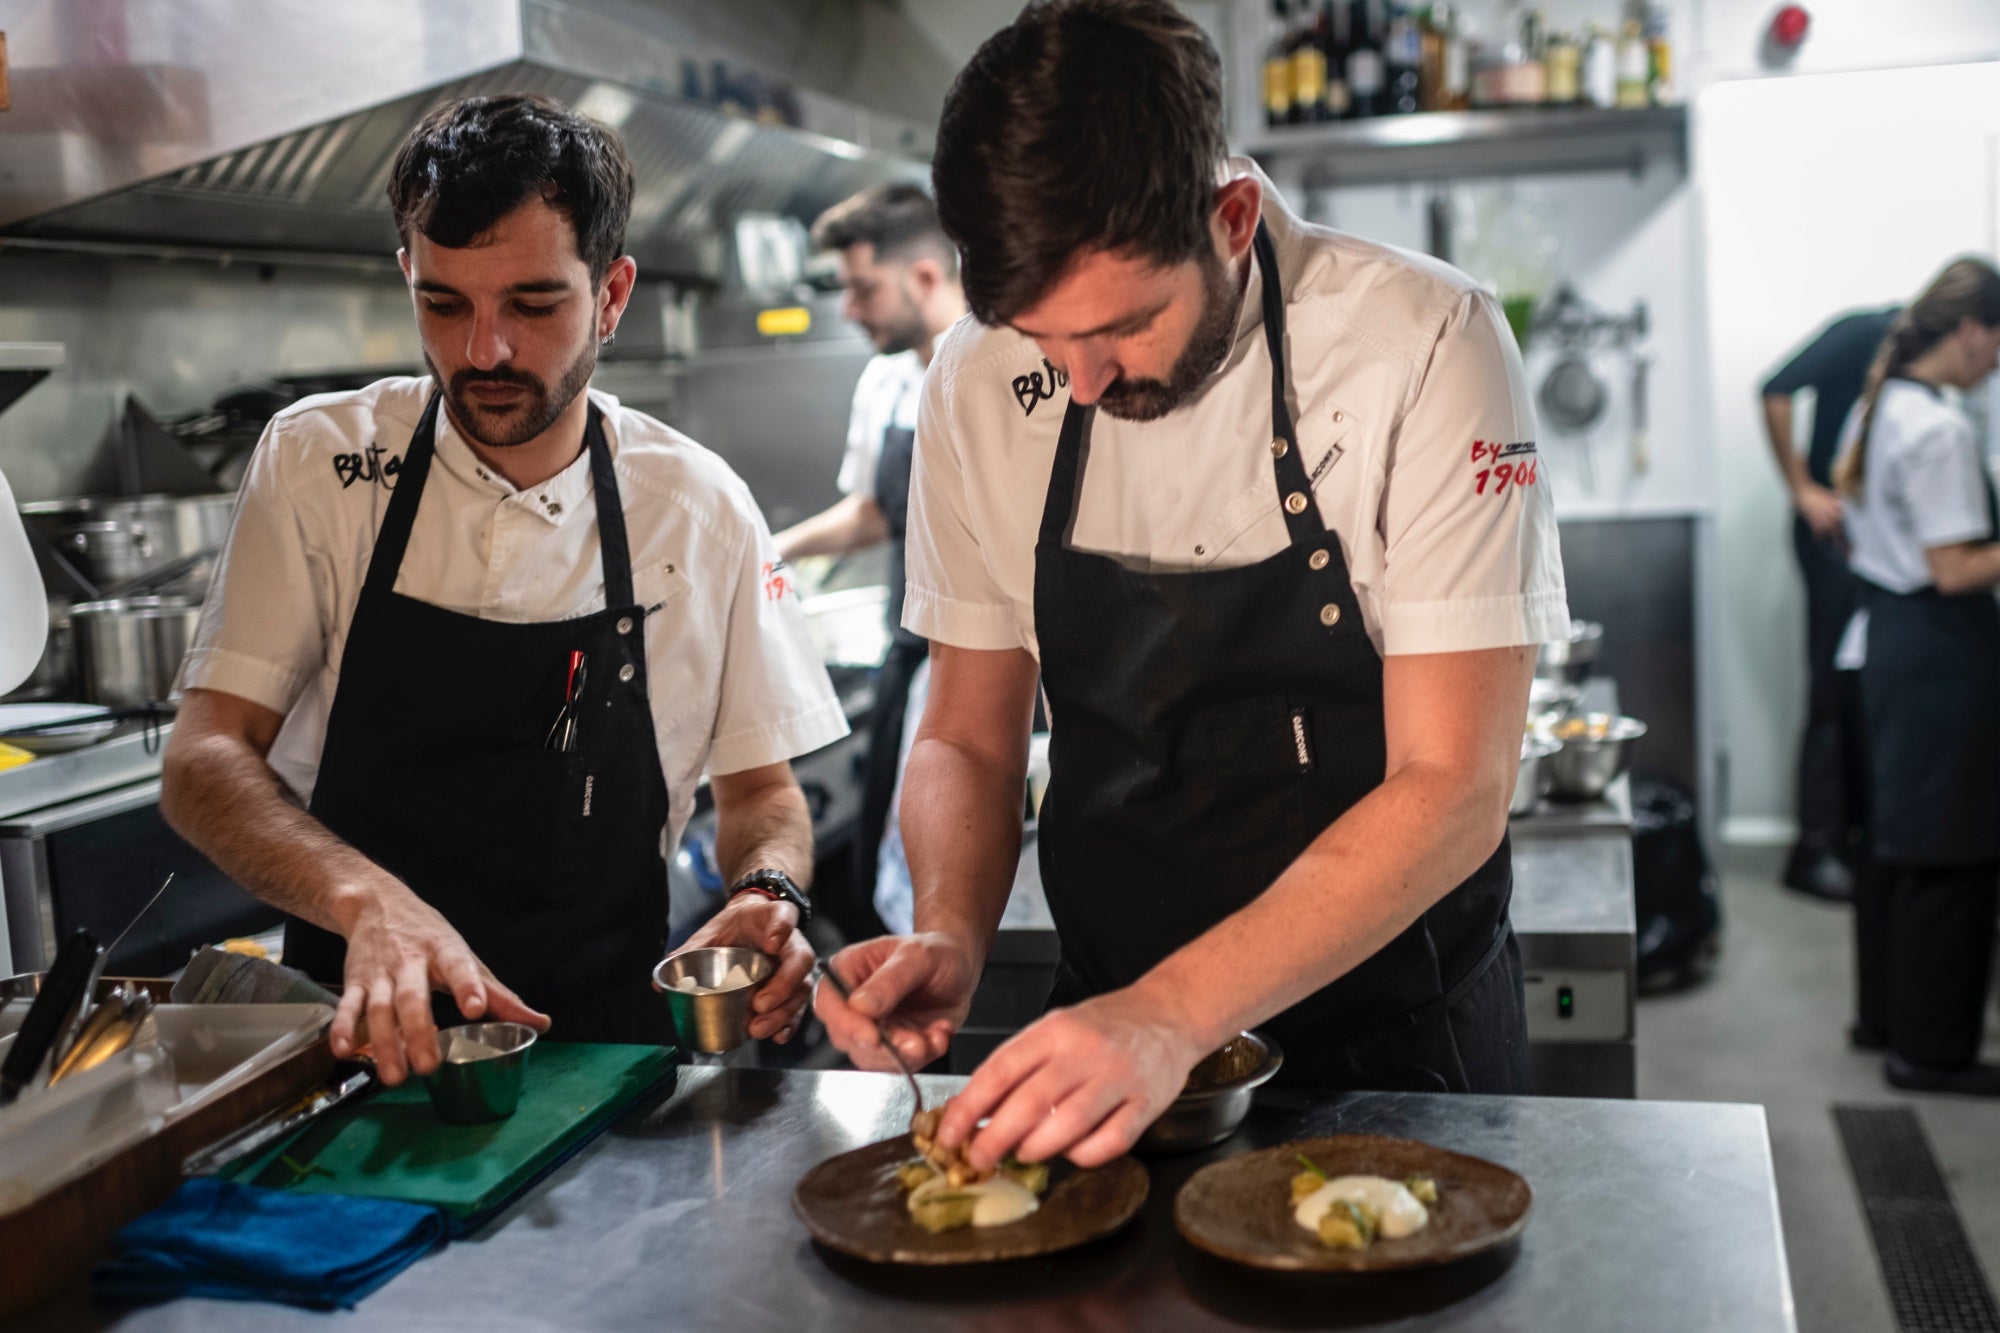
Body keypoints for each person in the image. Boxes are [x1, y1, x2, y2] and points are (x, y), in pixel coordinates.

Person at [815, 0, 1568, 1171]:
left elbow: (1453, 783)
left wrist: (1176, 1011)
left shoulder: (1423, 341)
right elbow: (966, 733)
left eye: (1121, 326)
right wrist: (951, 931)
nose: (1078, 381)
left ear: (1229, 219)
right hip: (1108, 1034)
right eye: (1041, 339)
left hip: (1394, 1038)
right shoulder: (971, 380)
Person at [161, 95, 848, 1085]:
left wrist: (767, 887)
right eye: (443, 303)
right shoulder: (322, 462)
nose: (483, 350)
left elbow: (760, 791)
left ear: (611, 296)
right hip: (353, 1059)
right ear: (408, 274)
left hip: (607, 1061)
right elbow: (202, 755)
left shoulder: (695, 509)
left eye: (531, 305)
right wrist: (365, 900)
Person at [773, 186, 968, 938]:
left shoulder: (1002, 371)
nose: (849, 309)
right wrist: (773, 544)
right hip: (910, 646)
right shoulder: (887, 383)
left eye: (861, 289)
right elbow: (876, 509)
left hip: (1008, 661)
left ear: (923, 276)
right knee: (889, 872)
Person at [1836, 256, 2000, 1095]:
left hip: (1887, 641)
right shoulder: (1939, 429)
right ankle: (1932, 1053)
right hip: (1938, 647)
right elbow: (1955, 567)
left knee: (1899, 848)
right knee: (1951, 850)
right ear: (1971, 332)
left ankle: (1887, 1021)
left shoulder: (1882, 405)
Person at [1761, 302, 1900, 901]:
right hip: (1830, 538)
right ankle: (1812, 850)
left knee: (1853, 691)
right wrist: (1802, 491)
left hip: (1862, 541)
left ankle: (1843, 837)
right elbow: (1774, 388)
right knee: (1827, 690)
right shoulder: (1866, 333)